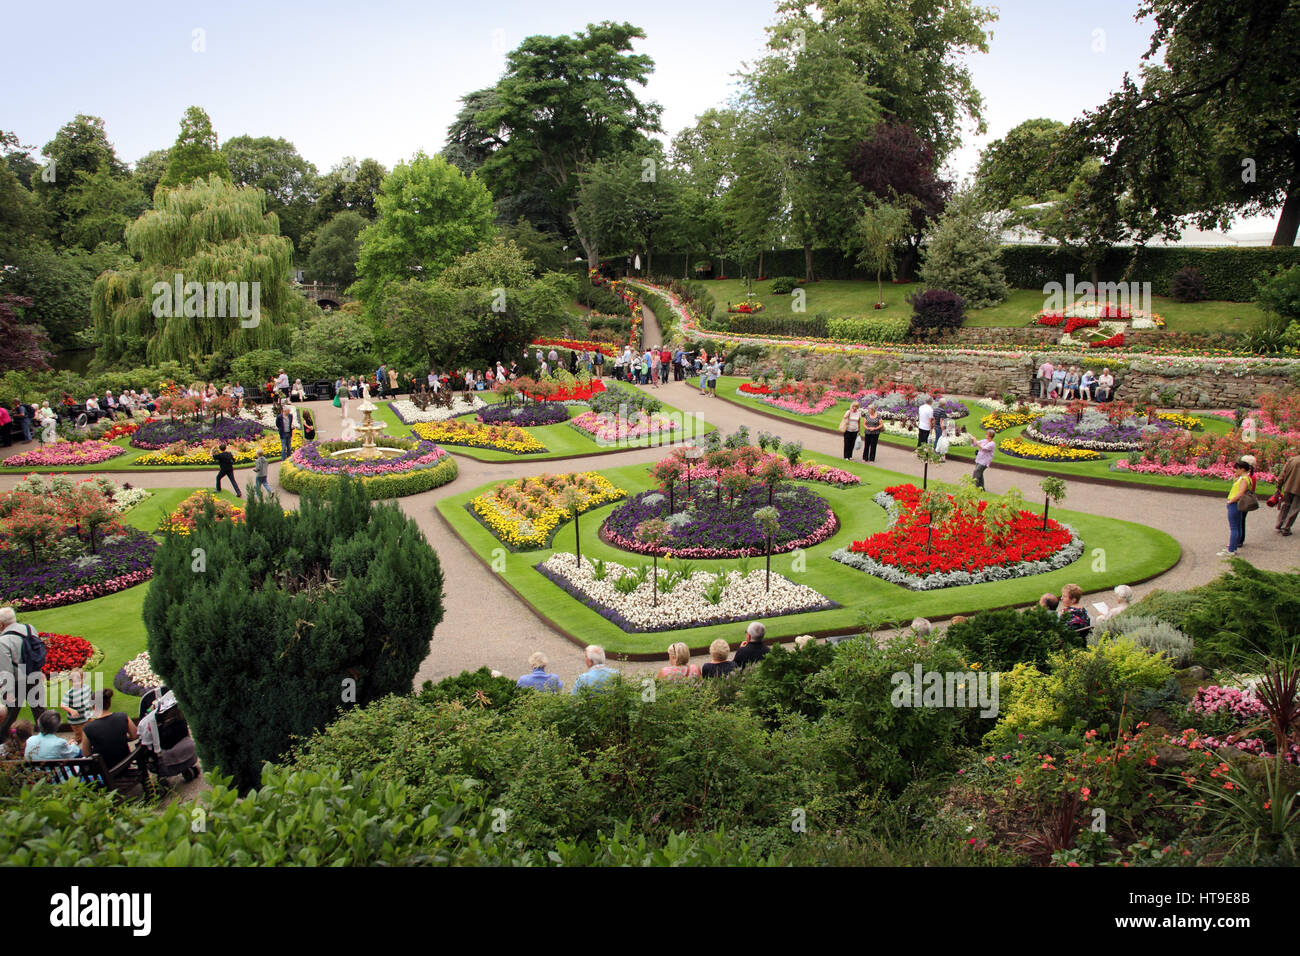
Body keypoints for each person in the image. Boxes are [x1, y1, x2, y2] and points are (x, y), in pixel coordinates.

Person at [136, 687, 200, 782]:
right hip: (185, 744)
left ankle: (161, 775)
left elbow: (146, 742)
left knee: (142, 748)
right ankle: (186, 767)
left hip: (165, 753)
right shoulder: (175, 714)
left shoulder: (148, 723)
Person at [0, 607, 45, 738]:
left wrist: (7, 691)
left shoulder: (3, 641)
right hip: (33, 674)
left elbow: (5, 670)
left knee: (9, 715)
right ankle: (47, 737)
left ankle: (1, 741)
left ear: (2, 624)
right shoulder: (30, 629)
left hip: (17, 680)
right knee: (40, 711)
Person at [81, 689, 137, 769]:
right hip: (125, 764)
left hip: (106, 770)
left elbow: (86, 753)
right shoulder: (123, 716)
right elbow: (135, 735)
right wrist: (120, 738)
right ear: (109, 703)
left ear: (93, 706)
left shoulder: (88, 728)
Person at [1218, 459, 1252, 557]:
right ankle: (1233, 547)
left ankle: (1231, 549)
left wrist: (1231, 501)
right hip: (1237, 503)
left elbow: (1240, 492)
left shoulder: (1245, 479)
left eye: (1237, 469)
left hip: (1235, 503)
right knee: (1237, 526)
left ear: (1242, 469)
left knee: (1234, 527)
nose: (1235, 471)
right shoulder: (1244, 478)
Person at [61, 667, 94, 745]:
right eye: (74, 681)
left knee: (93, 733)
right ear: (70, 681)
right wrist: (71, 710)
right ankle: (70, 746)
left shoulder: (87, 688)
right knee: (80, 738)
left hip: (87, 717)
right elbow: (62, 705)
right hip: (76, 722)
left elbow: (91, 698)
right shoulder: (70, 693)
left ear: (83, 678)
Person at [1275, 453, 1300, 536]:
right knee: (1294, 509)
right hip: (1298, 489)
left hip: (1288, 487)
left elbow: (1282, 474)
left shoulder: (1292, 459)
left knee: (1286, 506)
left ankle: (1279, 524)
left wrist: (1279, 486)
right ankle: (1286, 528)